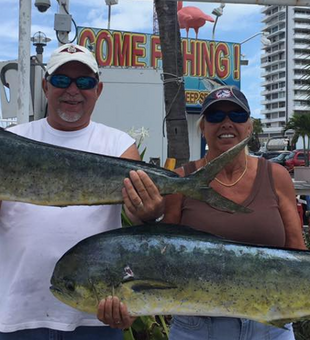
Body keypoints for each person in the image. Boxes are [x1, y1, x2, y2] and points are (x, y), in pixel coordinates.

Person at [0, 43, 163, 340]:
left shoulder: (119, 146)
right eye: (62, 81)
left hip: (95, 315)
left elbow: (138, 227)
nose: (73, 90)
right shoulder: (12, 141)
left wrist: (148, 214)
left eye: (84, 82)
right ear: (46, 86)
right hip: (17, 313)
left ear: (98, 90)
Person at [163, 86, 306, 340]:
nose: (226, 123)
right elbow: (163, 255)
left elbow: (296, 250)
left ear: (249, 127)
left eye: (237, 116)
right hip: (198, 327)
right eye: (216, 117)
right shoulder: (182, 180)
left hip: (271, 325)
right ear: (203, 128)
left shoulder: (277, 176)